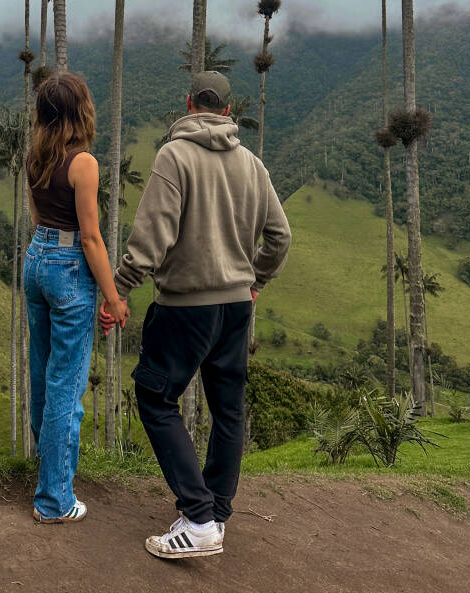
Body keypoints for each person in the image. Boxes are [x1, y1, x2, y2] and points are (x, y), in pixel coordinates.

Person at [101, 70, 291, 559]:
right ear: (227, 110)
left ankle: (199, 517)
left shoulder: (175, 155)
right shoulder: (252, 164)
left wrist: (119, 289)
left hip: (186, 307)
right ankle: (217, 514)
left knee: (155, 397)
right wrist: (256, 283)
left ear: (189, 104)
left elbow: (151, 238)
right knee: (228, 409)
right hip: (236, 308)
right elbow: (280, 236)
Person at [24, 72, 128, 523]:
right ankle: (54, 500)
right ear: (80, 110)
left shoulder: (35, 155)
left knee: (43, 372)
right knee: (66, 384)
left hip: (36, 259)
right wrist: (113, 297)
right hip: (69, 267)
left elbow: (38, 216)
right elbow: (90, 237)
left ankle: (48, 469)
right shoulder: (83, 163)